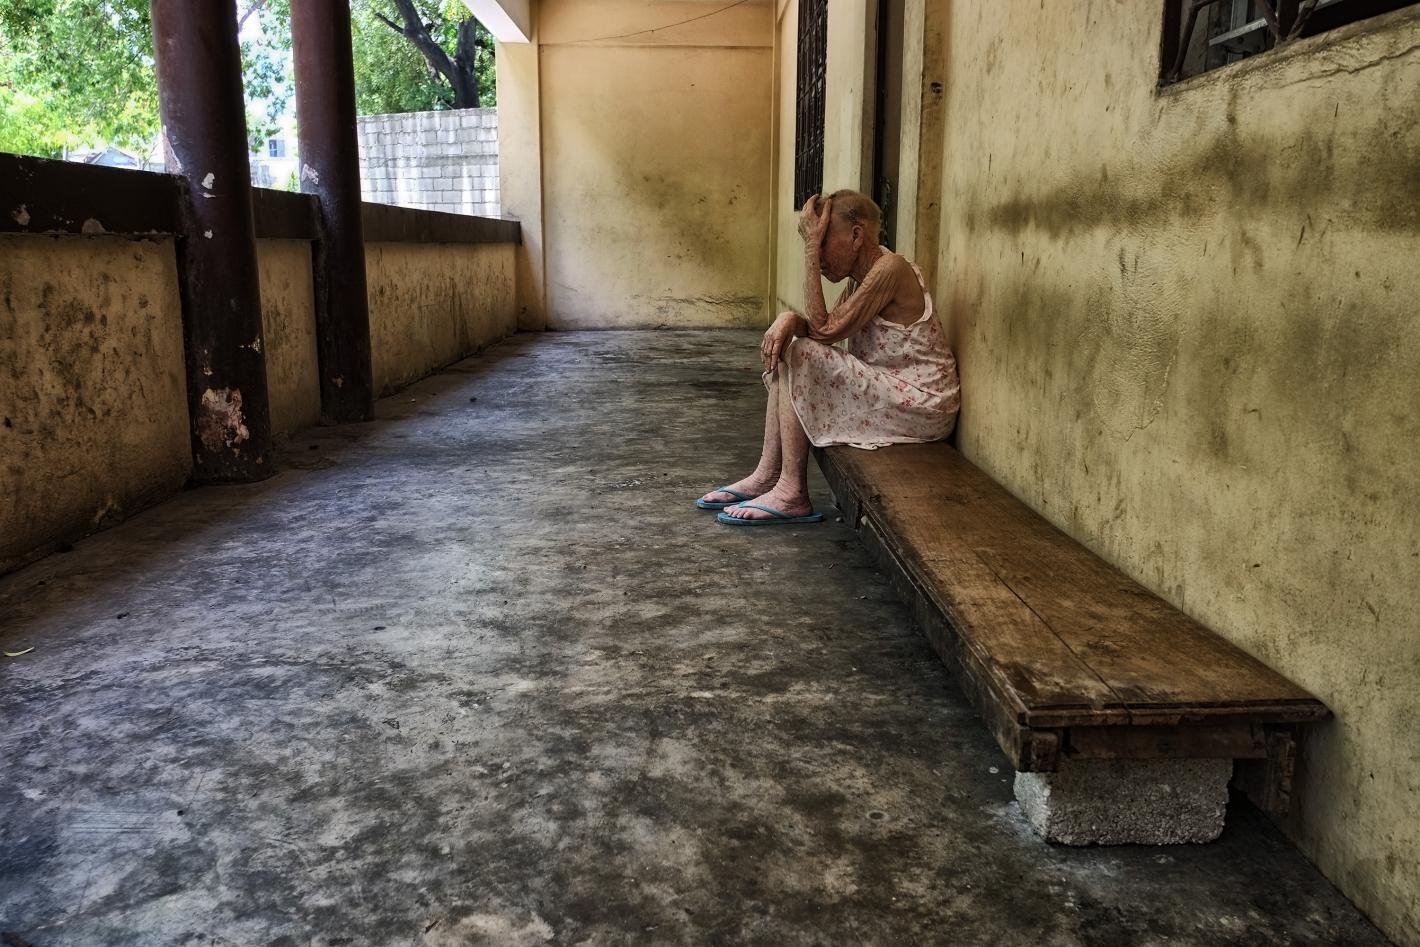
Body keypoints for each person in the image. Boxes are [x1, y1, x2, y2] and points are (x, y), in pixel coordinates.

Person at [698, 189, 960, 525]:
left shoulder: (891, 268)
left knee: (801, 353)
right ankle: (767, 475)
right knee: (792, 350)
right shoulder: (861, 281)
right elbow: (823, 328)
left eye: (822, 241)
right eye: (815, 244)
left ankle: (791, 492)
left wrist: (809, 251)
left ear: (856, 236)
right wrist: (789, 321)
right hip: (895, 393)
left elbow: (822, 331)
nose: (818, 256)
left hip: (925, 404)